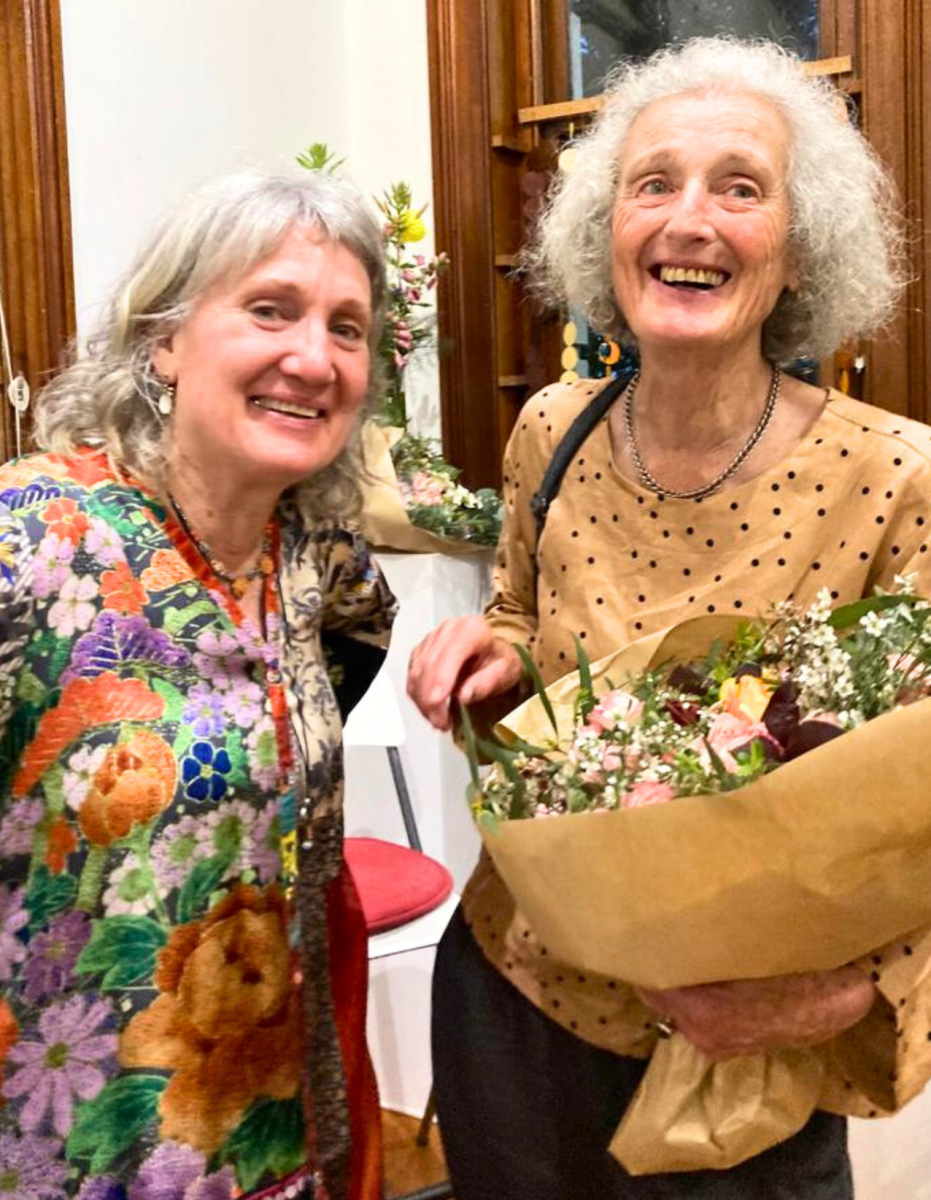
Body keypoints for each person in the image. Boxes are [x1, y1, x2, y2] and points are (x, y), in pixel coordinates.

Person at [407, 37, 931, 1200]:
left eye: (739, 186)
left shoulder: (897, 479)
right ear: (606, 230)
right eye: (653, 183)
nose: (688, 219)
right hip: (516, 1001)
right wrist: (486, 660)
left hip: (737, 1063)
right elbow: (525, 626)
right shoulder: (553, 429)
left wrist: (837, 996)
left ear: (799, 249)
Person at [0, 171, 395, 1200]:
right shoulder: (33, 541)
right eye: (270, 310)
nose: (312, 357)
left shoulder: (322, 556)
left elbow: (342, 669)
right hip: (70, 1142)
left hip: (281, 1133)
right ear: (164, 340)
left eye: (346, 328)